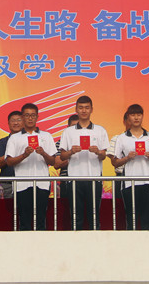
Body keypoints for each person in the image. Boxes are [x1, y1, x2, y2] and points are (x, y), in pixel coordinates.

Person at [57, 95, 109, 230]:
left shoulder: (100, 130)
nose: (84, 110)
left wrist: (98, 152)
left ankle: (95, 240)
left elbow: (104, 156)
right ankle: (75, 241)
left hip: (94, 178)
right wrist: (71, 152)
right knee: (76, 217)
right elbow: (62, 156)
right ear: (76, 109)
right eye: (80, 108)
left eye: (87, 108)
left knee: (94, 216)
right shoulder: (68, 132)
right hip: (74, 179)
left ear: (92, 109)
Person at [5, 103, 56, 230]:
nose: (30, 118)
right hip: (22, 184)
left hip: (42, 183)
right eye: (27, 115)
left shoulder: (46, 136)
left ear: (37, 117)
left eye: (33, 115)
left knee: (41, 220)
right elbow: (9, 161)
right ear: (22, 117)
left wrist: (43, 153)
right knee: (24, 220)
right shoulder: (14, 138)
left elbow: (53, 161)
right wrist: (24, 155)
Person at [112, 104, 149, 230]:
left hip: (148, 182)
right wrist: (127, 157)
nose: (136, 118)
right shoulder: (122, 138)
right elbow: (115, 162)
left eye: (139, 115)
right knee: (131, 218)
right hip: (129, 182)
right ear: (128, 117)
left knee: (147, 219)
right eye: (133, 115)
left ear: (142, 116)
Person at [0, 111, 24, 198]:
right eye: (13, 120)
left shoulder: (28, 140)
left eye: (19, 120)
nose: (16, 123)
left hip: (25, 183)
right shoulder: (2, 142)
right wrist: (10, 153)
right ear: (8, 123)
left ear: (24, 122)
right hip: (7, 185)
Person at [107, 112, 132, 198]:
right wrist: (128, 157)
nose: (133, 122)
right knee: (120, 205)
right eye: (130, 120)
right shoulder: (116, 138)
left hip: (139, 178)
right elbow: (114, 162)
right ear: (124, 122)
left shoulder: (146, 139)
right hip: (121, 178)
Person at [54, 114, 77, 201]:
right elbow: (56, 164)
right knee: (66, 208)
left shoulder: (88, 141)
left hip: (85, 181)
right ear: (67, 128)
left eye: (78, 127)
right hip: (66, 182)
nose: (75, 130)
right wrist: (73, 155)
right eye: (73, 127)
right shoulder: (61, 143)